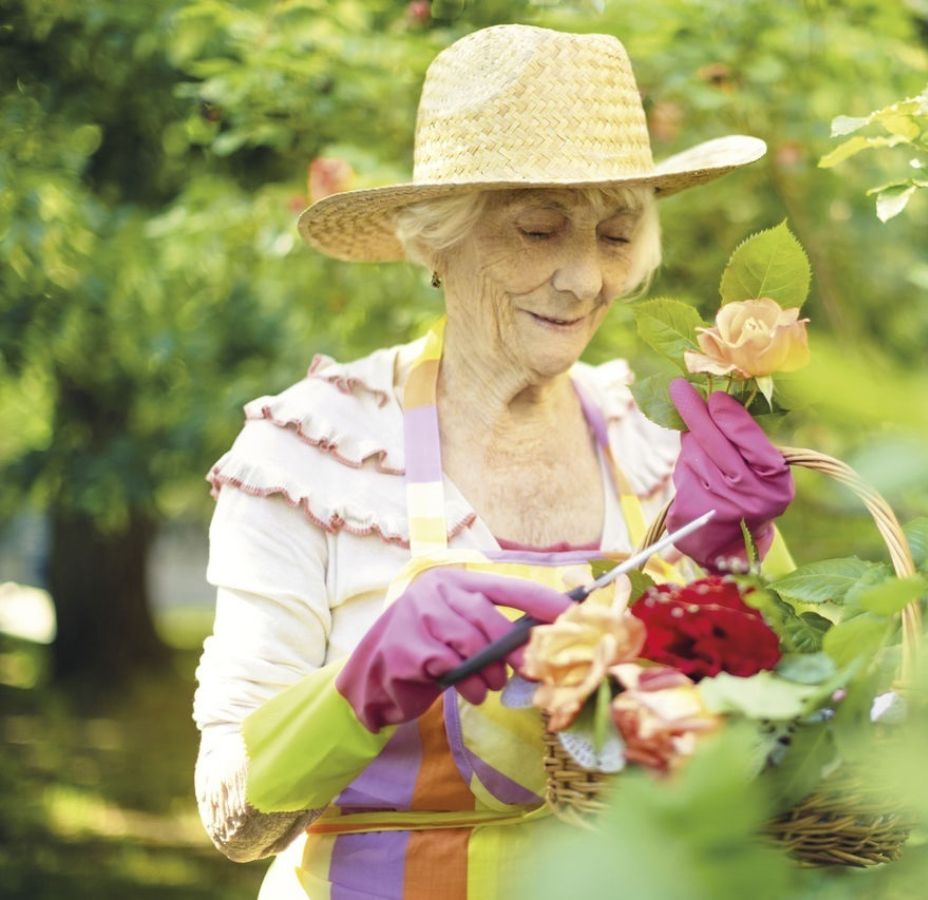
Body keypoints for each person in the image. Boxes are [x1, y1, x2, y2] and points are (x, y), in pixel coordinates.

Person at [192, 24, 795, 900]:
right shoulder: (313, 451)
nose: (584, 280)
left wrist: (737, 575)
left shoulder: (650, 442)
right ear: (437, 240)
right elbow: (230, 823)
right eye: (539, 231)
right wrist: (355, 693)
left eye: (615, 236)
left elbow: (779, 752)